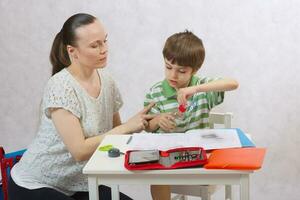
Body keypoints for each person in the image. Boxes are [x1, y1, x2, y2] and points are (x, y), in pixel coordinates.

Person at [9, 13, 155, 200]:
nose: (104, 50)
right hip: (35, 184)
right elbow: (79, 150)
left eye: (105, 41)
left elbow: (114, 135)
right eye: (95, 45)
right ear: (72, 51)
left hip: (79, 184)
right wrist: (127, 127)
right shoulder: (61, 86)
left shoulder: (107, 81)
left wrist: (144, 123)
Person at [143, 30, 239, 199]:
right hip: (168, 158)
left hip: (199, 157)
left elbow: (233, 83)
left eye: (181, 71)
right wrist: (158, 120)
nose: (173, 75)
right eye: (168, 67)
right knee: (157, 178)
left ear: (194, 70)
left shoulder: (202, 89)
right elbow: (148, 127)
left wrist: (196, 88)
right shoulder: (156, 92)